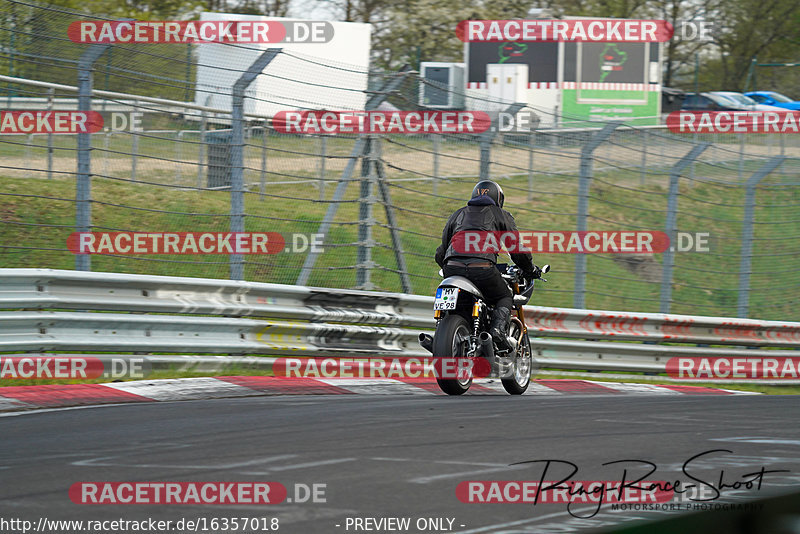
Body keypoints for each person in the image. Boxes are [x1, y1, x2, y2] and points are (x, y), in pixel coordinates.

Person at [435, 180, 542, 349]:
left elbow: (442, 250)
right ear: (498, 198)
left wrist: (449, 266)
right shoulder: (501, 215)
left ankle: (447, 332)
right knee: (504, 296)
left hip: (452, 268)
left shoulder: (458, 214)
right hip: (482, 267)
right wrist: (530, 269)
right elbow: (517, 250)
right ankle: (497, 332)